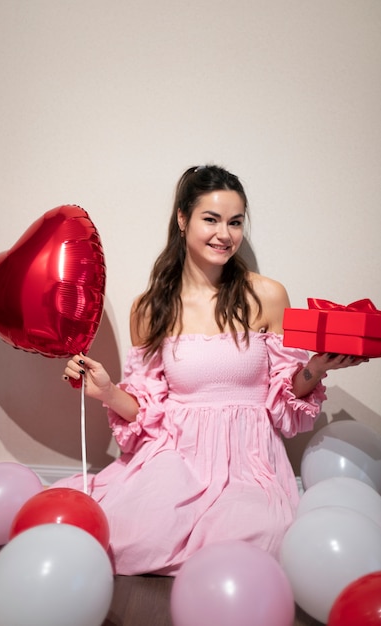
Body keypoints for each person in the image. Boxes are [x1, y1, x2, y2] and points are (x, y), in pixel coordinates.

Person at [58, 164, 367, 576]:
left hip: (249, 460)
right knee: (130, 539)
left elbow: (283, 402)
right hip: (176, 456)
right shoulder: (151, 307)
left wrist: (314, 368)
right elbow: (148, 412)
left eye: (235, 222)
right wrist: (107, 390)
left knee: (258, 544)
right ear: (183, 219)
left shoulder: (268, 295)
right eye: (211, 219)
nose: (225, 234)